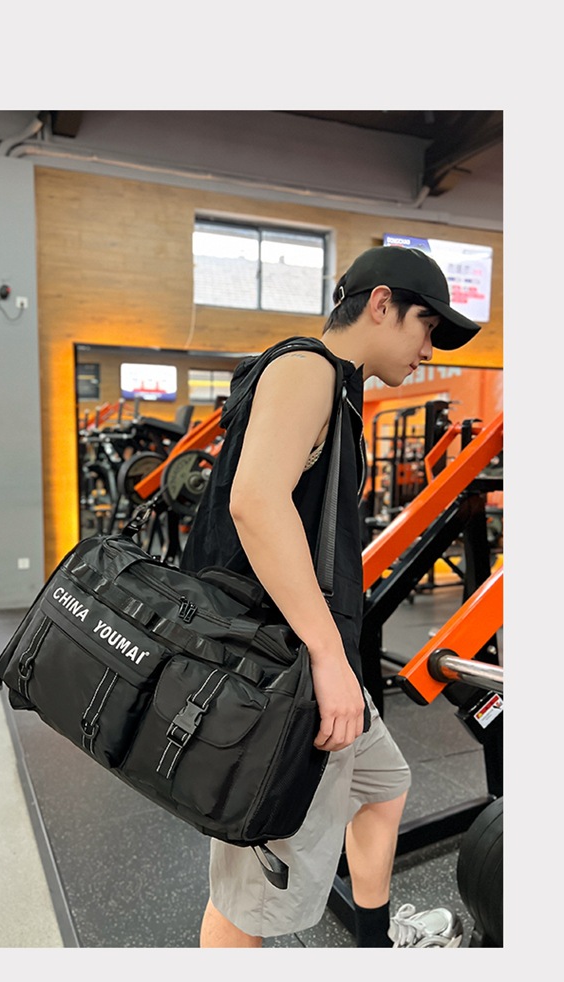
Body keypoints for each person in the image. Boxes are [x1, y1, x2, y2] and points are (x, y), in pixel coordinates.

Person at [180, 245, 481, 948]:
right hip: (275, 674)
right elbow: (256, 503)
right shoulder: (307, 368)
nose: (428, 350)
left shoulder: (338, 389)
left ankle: (375, 944)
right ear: (381, 304)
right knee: (248, 901)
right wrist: (326, 656)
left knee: (383, 782)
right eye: (426, 327)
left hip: (303, 661)